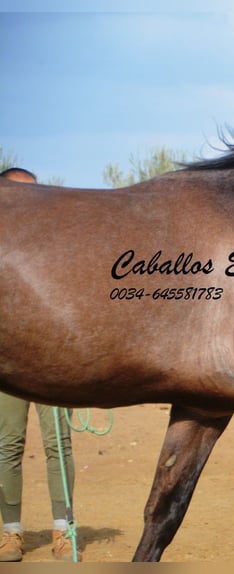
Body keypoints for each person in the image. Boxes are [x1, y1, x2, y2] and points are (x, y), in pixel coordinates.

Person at [0, 167, 80, 561]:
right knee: (7, 444)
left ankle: (63, 529)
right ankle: (10, 533)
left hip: (52, 360)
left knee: (58, 446)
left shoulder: (56, 244)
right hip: (7, 362)